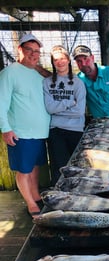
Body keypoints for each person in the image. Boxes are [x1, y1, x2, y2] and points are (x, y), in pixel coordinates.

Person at [0, 33, 50, 218]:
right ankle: (30, 204)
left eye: (37, 51)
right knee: (24, 169)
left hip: (40, 132)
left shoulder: (38, 74)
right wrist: (5, 128)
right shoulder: (9, 73)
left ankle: (35, 195)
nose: (34, 54)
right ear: (19, 49)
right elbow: (1, 102)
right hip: (21, 132)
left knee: (35, 166)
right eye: (29, 49)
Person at [43, 45, 86, 186]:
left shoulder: (78, 83)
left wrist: (58, 108)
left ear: (68, 60)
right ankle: (58, 196)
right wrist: (69, 102)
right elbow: (49, 108)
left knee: (77, 167)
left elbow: (79, 111)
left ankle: (77, 195)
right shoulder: (47, 83)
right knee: (59, 167)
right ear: (53, 63)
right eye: (56, 60)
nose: (59, 62)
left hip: (75, 130)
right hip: (56, 130)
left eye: (62, 58)